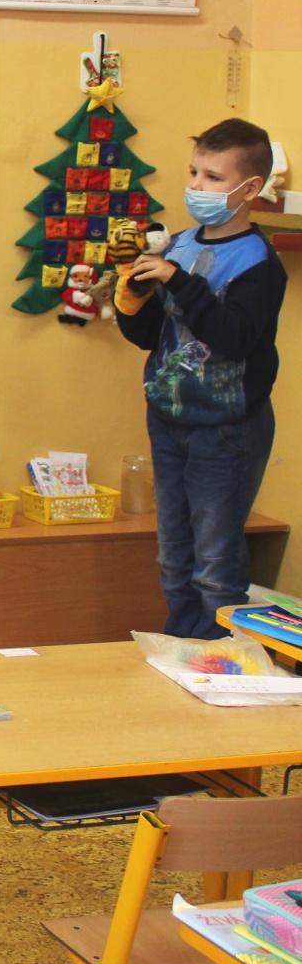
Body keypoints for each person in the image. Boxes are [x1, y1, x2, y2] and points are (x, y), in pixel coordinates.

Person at [116, 119, 287, 638]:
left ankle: (225, 658)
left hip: (226, 427)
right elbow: (152, 335)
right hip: (169, 417)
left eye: (213, 177)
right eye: (193, 173)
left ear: (249, 189)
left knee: (215, 560)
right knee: (174, 555)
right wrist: (132, 298)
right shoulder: (181, 245)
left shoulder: (258, 261)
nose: (196, 186)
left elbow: (233, 338)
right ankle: (186, 650)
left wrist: (179, 281)